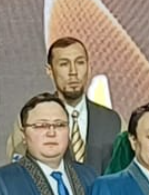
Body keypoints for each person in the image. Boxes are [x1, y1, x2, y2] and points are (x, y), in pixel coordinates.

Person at [10, 38, 123, 171]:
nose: (73, 72)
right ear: (50, 70)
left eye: (80, 63)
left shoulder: (113, 121)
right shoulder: (31, 119)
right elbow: (19, 171)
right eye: (64, 64)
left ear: (89, 67)